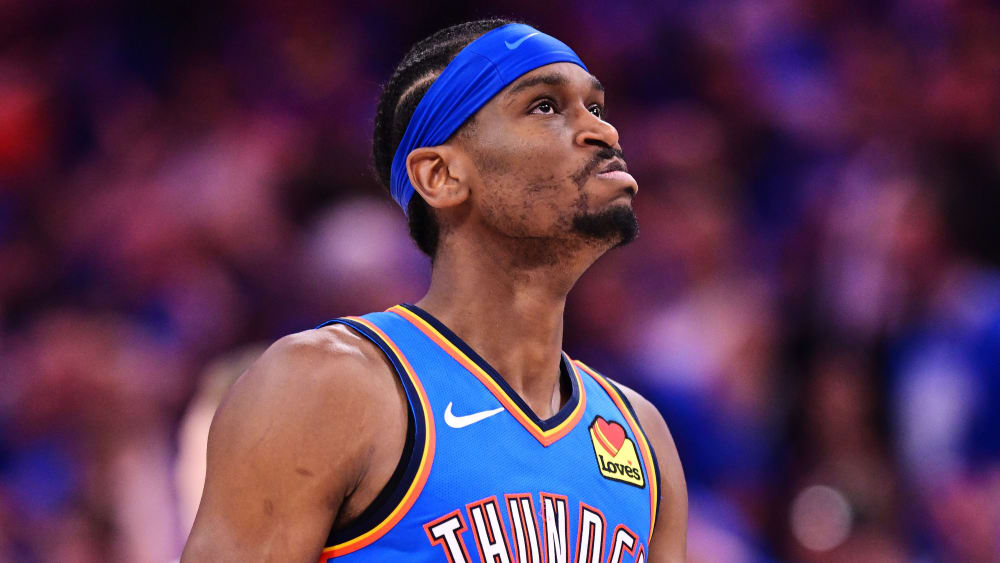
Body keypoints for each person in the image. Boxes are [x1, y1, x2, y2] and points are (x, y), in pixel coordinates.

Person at [181, 18, 687, 562]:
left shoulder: (642, 436)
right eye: (544, 106)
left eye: (597, 109)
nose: (603, 132)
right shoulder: (325, 385)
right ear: (440, 176)